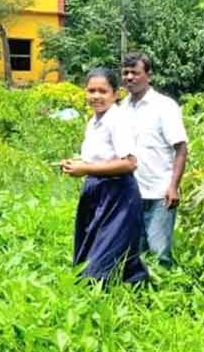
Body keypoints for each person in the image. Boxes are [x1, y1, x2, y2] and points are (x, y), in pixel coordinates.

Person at [61, 68, 149, 286]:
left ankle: (99, 305)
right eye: (91, 90)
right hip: (97, 191)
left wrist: (86, 169)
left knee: (100, 261)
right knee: (99, 248)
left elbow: (129, 163)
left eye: (103, 91)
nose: (96, 96)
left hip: (118, 194)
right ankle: (139, 293)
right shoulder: (94, 121)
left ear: (115, 94)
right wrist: (78, 164)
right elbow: (100, 158)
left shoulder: (117, 120)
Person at [120, 52, 189, 267]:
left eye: (135, 72)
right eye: (126, 72)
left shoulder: (164, 106)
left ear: (148, 75)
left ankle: (167, 295)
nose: (129, 77)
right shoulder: (122, 107)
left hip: (160, 192)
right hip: (131, 191)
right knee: (135, 251)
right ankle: (141, 296)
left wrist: (173, 186)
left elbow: (181, 148)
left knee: (159, 252)